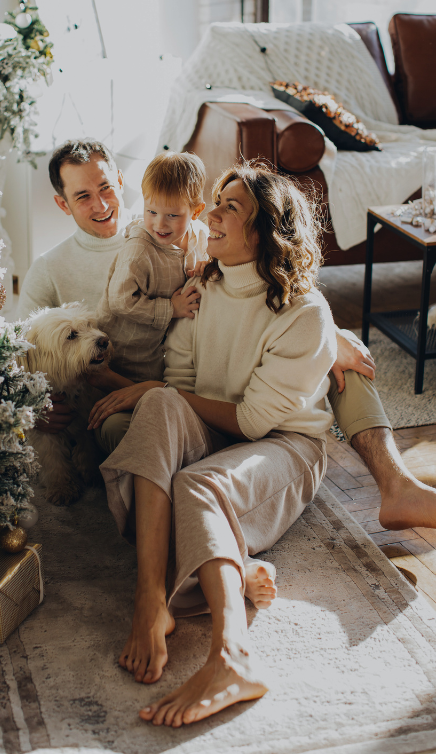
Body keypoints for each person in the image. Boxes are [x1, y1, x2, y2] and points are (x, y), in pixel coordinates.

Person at [18, 137, 436, 532]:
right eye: (83, 196)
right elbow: (21, 357)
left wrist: (326, 330)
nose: (101, 203)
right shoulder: (49, 269)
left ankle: (396, 485)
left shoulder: (167, 218)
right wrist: (35, 406)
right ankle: (207, 494)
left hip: (192, 371)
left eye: (106, 187)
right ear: (62, 203)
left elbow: (260, 268)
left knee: (345, 351)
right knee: (120, 429)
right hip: (138, 384)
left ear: (123, 184)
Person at [88, 163, 336, 725]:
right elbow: (181, 384)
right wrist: (155, 392)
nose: (210, 214)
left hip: (286, 444)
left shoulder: (304, 313)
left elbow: (252, 421)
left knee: (194, 482)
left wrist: (158, 392)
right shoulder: (204, 288)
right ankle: (152, 598)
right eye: (215, 201)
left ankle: (234, 656)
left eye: (231, 207)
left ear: (264, 231)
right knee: (158, 404)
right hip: (220, 427)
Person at [96, 150, 208, 382]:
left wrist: (209, 265)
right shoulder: (139, 248)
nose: (160, 223)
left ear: (196, 211)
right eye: (152, 211)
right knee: (137, 397)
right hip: (128, 351)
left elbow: (215, 258)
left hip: (165, 348)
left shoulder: (201, 235)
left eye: (173, 215)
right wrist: (171, 308)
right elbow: (120, 300)